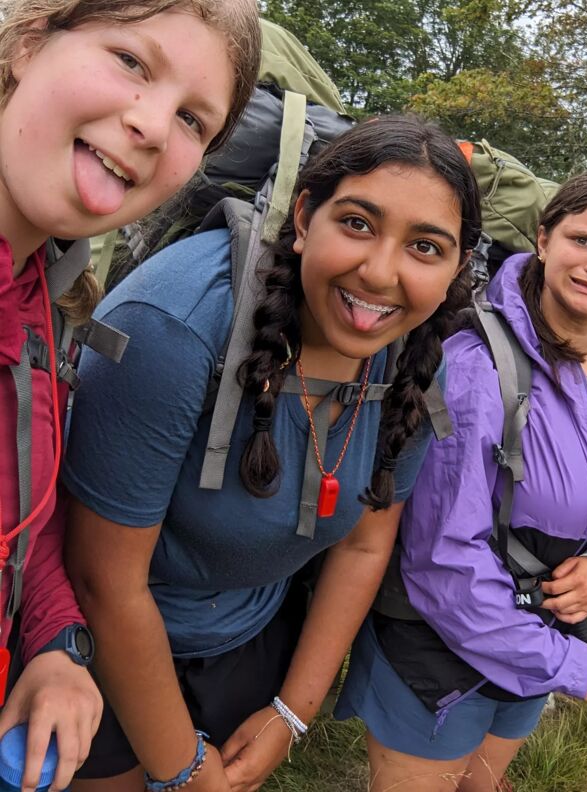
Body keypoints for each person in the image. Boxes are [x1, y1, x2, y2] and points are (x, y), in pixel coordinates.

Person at [61, 115, 482, 792]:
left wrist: (292, 711)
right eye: (357, 223)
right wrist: (184, 766)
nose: (380, 273)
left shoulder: (419, 363)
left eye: (425, 247)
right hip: (95, 643)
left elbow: (364, 546)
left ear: (457, 266)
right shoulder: (177, 325)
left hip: (250, 633)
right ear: (305, 215)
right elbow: (102, 579)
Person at [335, 171, 587, 792]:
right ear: (545, 239)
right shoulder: (474, 367)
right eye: (584, 241)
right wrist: (562, 661)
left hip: (542, 631)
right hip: (440, 653)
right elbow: (443, 559)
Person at [0, 1, 261, 789]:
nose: (151, 124)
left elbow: (27, 514)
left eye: (194, 119)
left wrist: (55, 643)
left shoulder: (40, 290)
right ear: (32, 39)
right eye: (131, 61)